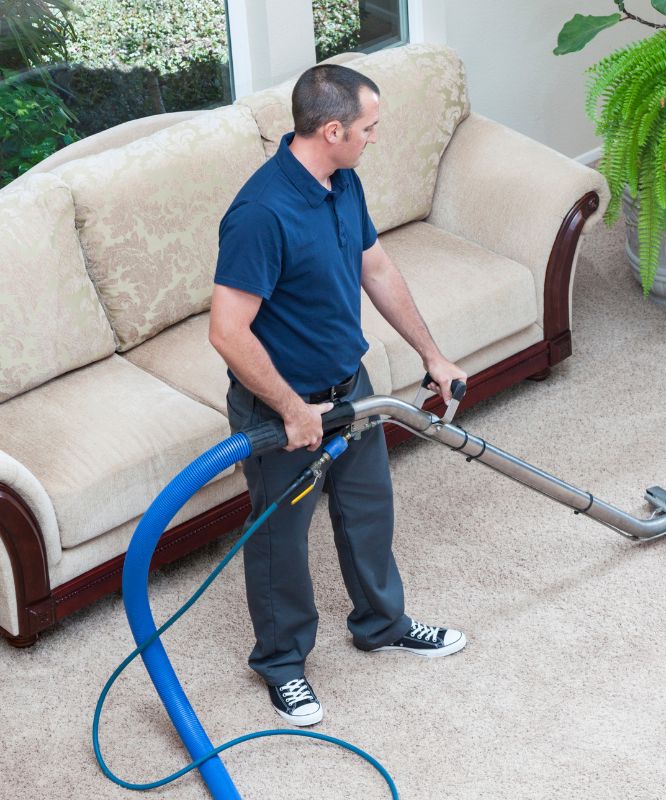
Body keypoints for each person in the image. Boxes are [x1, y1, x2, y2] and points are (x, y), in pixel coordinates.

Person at [209, 64, 468, 728]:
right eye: (368, 128)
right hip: (284, 410)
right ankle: (281, 664)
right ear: (332, 130)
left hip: (350, 390)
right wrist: (293, 411)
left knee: (368, 512)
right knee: (280, 542)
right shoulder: (260, 213)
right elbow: (227, 332)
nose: (373, 138)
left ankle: (381, 624)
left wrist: (431, 354)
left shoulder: (341, 181)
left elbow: (374, 265)